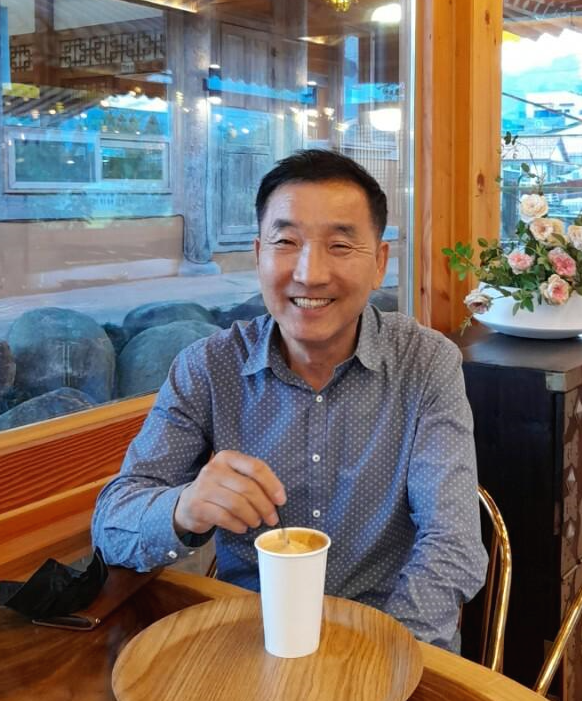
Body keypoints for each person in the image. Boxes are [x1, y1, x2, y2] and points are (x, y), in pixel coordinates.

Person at [92, 149, 487, 652]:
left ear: (380, 262)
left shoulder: (424, 362)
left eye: (340, 245)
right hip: (250, 645)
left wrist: (379, 657)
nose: (310, 273)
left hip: (391, 638)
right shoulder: (209, 367)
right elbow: (112, 524)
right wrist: (182, 508)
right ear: (259, 254)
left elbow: (452, 544)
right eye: (286, 242)